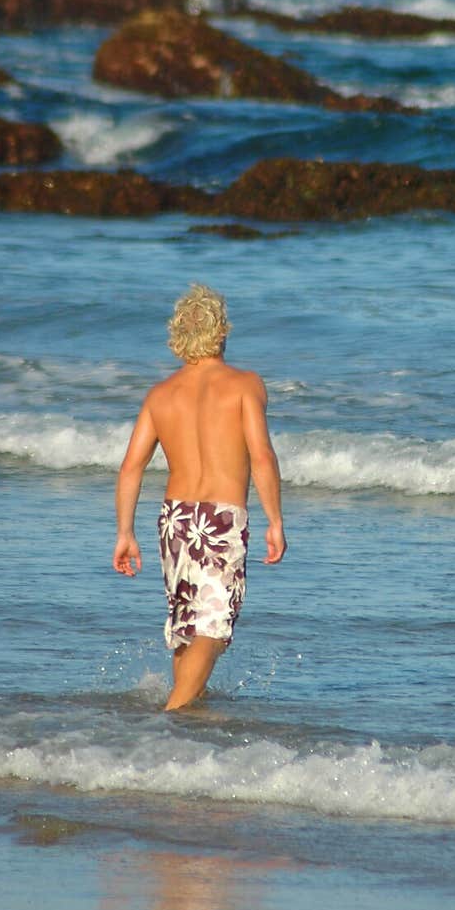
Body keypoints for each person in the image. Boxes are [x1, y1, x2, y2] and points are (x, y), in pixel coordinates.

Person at [113, 284, 286, 710]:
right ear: (221, 331)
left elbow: (131, 467)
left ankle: (188, 716)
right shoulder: (245, 385)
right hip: (220, 520)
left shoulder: (160, 395)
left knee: (188, 625)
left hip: (174, 518)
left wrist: (124, 532)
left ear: (178, 336)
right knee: (213, 629)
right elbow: (261, 456)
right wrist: (275, 521)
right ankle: (171, 715)